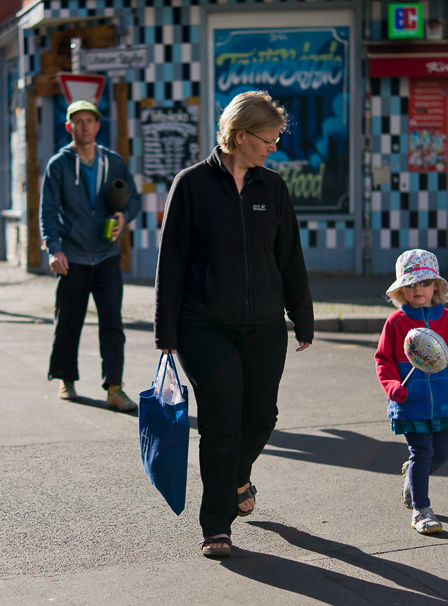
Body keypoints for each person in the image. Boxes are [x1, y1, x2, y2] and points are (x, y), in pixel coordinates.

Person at [154, 90, 314, 558]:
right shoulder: (192, 185)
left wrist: (301, 316)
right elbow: (173, 263)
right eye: (268, 139)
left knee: (262, 416)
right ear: (240, 136)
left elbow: (289, 258)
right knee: (222, 420)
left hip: (265, 325)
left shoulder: (274, 188)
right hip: (204, 325)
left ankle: (237, 474)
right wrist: (167, 334)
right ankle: (216, 523)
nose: (273, 148)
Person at [40, 100, 141, 411]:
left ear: (98, 126)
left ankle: (114, 388)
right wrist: (54, 248)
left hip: (107, 255)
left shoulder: (113, 162)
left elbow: (134, 199)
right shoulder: (58, 165)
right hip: (73, 255)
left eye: (90, 121)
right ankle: (65, 379)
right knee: (69, 320)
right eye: (78, 121)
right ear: (69, 127)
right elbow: (48, 211)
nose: (84, 126)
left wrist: (125, 217)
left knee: (112, 322)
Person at [375, 249, 448, 535]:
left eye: (424, 283)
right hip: (410, 403)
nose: (417, 289)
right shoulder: (395, 322)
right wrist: (393, 386)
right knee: (421, 453)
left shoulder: (447, 320)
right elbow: (383, 360)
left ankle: (412, 477)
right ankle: (421, 510)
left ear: (436, 286)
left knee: (442, 454)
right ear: (400, 290)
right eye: (410, 284)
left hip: (444, 403)